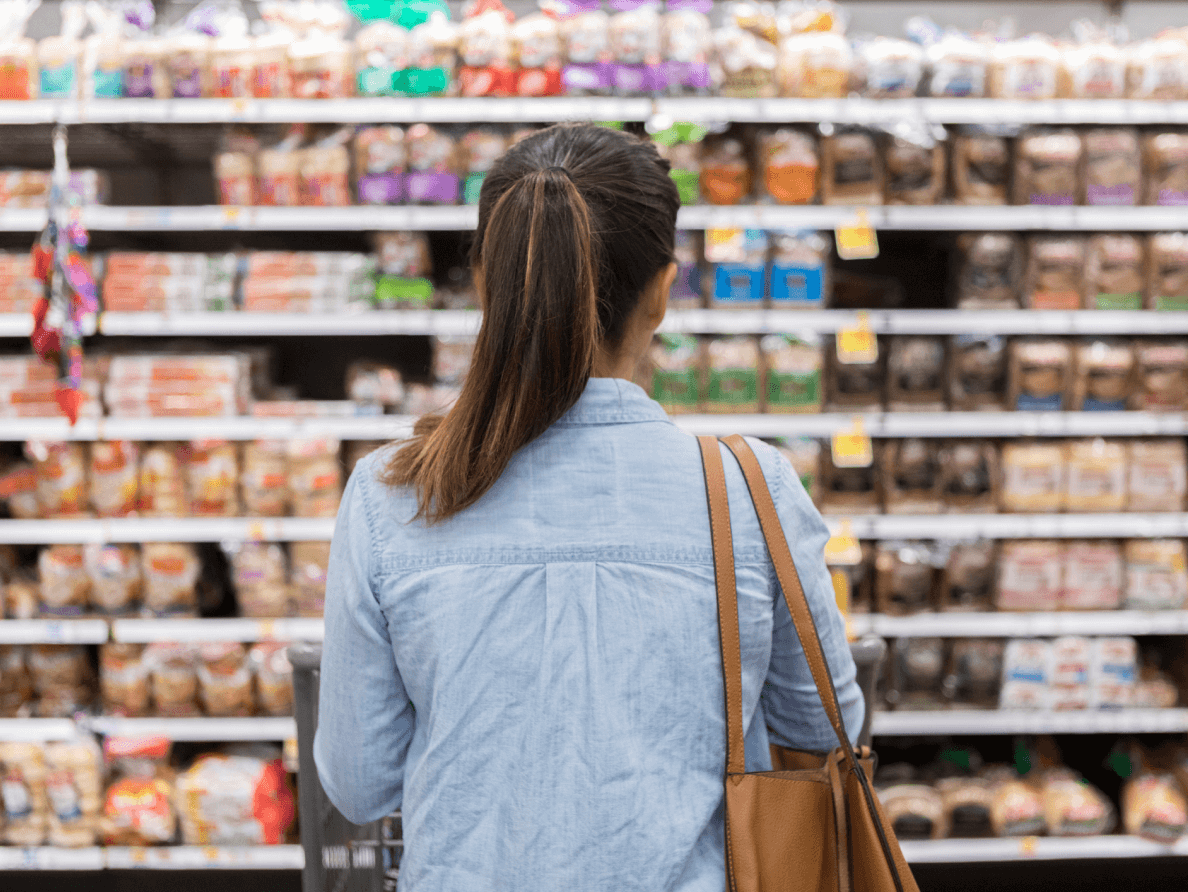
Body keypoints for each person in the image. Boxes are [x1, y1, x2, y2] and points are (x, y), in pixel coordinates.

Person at [314, 122, 864, 891]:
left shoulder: (391, 494)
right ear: (666, 293)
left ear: (487, 286)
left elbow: (359, 781)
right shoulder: (749, 488)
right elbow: (823, 725)